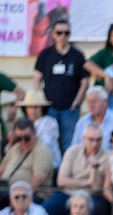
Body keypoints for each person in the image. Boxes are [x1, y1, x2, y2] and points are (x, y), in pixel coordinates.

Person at [34, 19, 88, 152]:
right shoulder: (45, 54)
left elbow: (85, 82)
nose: (62, 36)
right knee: (49, 143)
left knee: (68, 144)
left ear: (70, 34)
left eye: (66, 33)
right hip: (50, 107)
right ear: (53, 34)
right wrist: (43, 101)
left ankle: (66, 172)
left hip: (70, 108)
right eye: (59, 32)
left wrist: (77, 102)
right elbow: (36, 79)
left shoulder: (78, 55)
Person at [48, 125, 110, 215]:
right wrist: (88, 181)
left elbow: (95, 187)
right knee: (44, 211)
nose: (94, 144)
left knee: (96, 211)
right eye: (91, 139)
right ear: (84, 139)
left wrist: (95, 167)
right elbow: (61, 181)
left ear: (102, 140)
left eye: (98, 140)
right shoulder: (72, 151)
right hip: (67, 193)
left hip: (90, 196)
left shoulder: (107, 156)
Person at [0, 118, 54, 197]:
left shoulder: (42, 151)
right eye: (19, 138)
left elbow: (39, 179)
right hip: (6, 195)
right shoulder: (15, 148)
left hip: (30, 197)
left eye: (27, 138)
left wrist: (18, 197)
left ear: (35, 133)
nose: (23, 141)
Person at [84, 23, 113, 119]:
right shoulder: (105, 53)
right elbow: (87, 64)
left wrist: (108, 78)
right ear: (110, 38)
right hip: (99, 95)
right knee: (96, 122)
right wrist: (106, 76)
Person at [20, 90, 61, 169]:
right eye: (30, 107)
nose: (33, 111)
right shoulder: (22, 122)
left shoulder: (50, 122)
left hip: (48, 164)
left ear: (42, 108)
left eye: (36, 107)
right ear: (26, 109)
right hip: (27, 165)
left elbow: (46, 143)